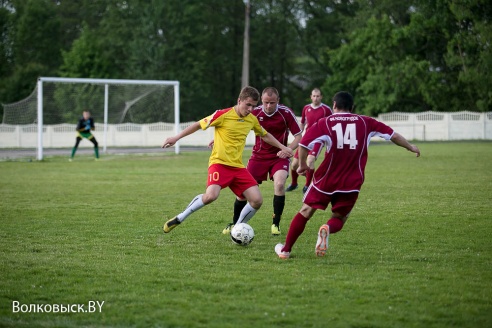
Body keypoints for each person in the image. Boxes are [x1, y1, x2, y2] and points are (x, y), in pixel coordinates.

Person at [275, 91, 420, 259]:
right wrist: (410, 147)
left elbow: (304, 144)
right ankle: (327, 229)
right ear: (352, 107)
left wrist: (301, 165)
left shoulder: (326, 122)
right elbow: (392, 135)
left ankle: (285, 250)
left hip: (326, 179)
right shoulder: (366, 122)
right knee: (340, 217)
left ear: (334, 105)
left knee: (306, 211)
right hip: (352, 182)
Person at [162, 86, 293, 234]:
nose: (250, 109)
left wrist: (283, 147)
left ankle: (237, 228)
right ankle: (180, 217)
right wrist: (176, 138)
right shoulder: (222, 114)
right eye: (248, 104)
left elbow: (264, 134)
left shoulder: (251, 120)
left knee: (257, 200)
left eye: (253, 106)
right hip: (219, 164)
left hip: (237, 167)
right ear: (239, 100)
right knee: (211, 196)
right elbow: (198, 124)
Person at [221, 87, 302, 236]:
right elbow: (235, 125)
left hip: (279, 157)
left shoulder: (286, 113)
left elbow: (298, 135)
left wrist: (288, 149)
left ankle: (275, 224)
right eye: (265, 102)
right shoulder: (255, 112)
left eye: (272, 103)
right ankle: (234, 223)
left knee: (279, 183)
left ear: (278, 101)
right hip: (258, 157)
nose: (268, 106)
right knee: (242, 193)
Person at [286, 88, 332, 193]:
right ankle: (294, 183)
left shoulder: (326, 109)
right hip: (306, 139)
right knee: (294, 164)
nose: (316, 98)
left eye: (318, 96)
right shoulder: (306, 108)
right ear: (311, 97)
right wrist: (299, 134)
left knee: (310, 160)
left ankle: (307, 186)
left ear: (321, 97)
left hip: (318, 140)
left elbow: (331, 123)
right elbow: (302, 122)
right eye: (314, 96)